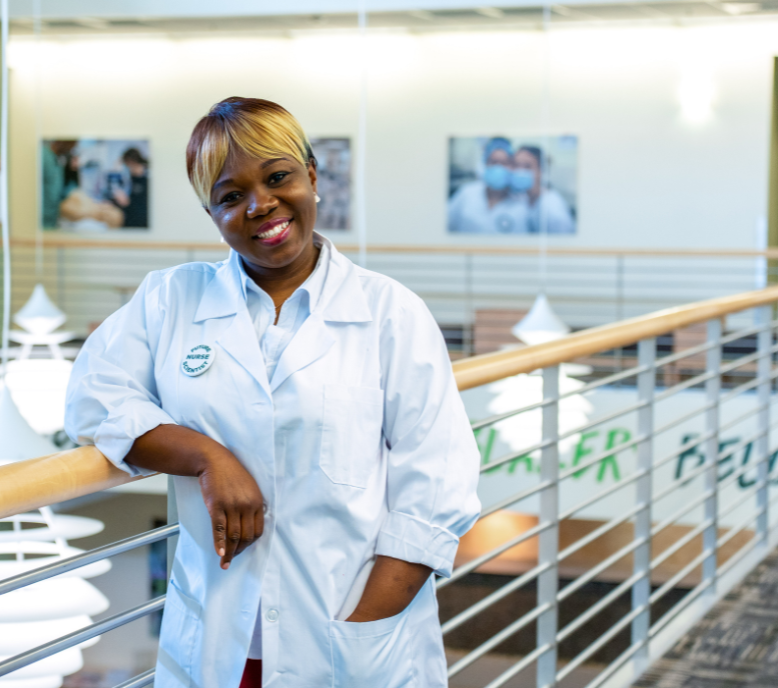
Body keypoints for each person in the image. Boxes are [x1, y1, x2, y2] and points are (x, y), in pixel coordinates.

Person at [65, 97, 480, 688]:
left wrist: (364, 626)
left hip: (347, 638)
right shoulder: (171, 299)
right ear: (212, 213)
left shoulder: (390, 312)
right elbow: (93, 397)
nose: (261, 205)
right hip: (220, 648)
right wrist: (206, 457)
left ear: (312, 176)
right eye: (231, 196)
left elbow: (436, 486)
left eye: (278, 177)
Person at [447, 136, 528, 233]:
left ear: (512, 167)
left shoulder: (522, 203)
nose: (498, 167)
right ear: (485, 164)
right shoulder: (467, 193)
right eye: (493, 162)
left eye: (504, 163)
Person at [511, 145, 576, 235]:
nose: (520, 171)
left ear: (540, 171)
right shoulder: (523, 198)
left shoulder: (553, 211)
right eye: (516, 165)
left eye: (527, 166)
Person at [108, 147, 149, 228]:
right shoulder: (129, 179)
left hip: (139, 225)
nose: (128, 168)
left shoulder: (148, 181)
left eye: (128, 164)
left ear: (132, 162)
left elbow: (142, 207)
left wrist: (127, 202)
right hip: (126, 222)